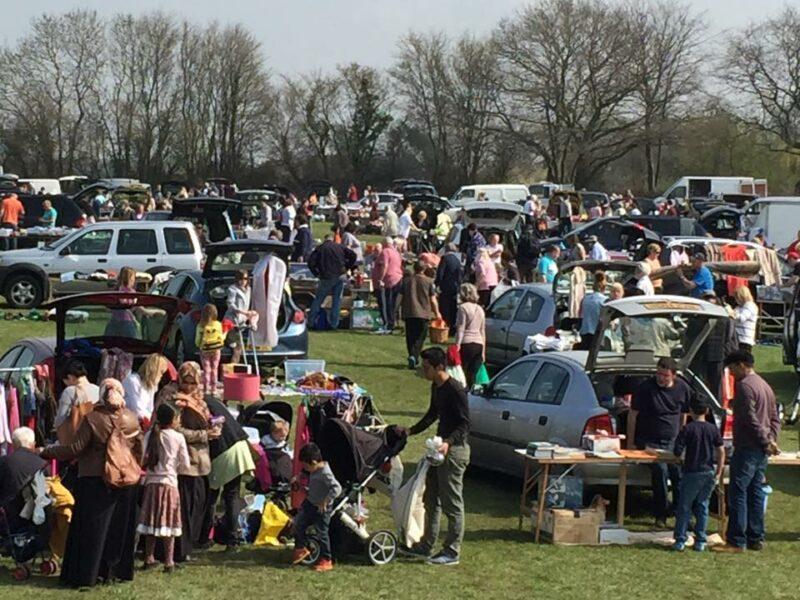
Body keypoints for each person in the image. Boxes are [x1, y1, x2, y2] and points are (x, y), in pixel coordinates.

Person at [41, 379, 143, 588]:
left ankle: (87, 575)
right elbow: (140, 448)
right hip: (126, 481)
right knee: (118, 529)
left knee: (92, 530)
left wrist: (47, 450)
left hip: (95, 479)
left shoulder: (93, 418)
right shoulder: (131, 419)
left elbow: (74, 449)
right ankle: (115, 572)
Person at [402, 347, 470, 566]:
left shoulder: (455, 389)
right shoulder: (436, 386)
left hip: (454, 451)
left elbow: (464, 423)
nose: (424, 371)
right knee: (431, 498)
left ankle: (452, 551)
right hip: (438, 450)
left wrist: (448, 443)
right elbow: (432, 414)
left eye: (427, 367)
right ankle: (426, 545)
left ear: (440, 366)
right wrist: (410, 431)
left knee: (452, 503)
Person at [714, 351, 781, 553]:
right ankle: (756, 537)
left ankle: (736, 539)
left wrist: (765, 440)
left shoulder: (744, 387)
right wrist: (772, 440)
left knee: (738, 492)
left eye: (732, 368)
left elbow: (751, 420)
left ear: (742, 365)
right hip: (761, 450)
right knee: (755, 492)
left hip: (748, 447)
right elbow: (774, 417)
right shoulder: (764, 385)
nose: (731, 374)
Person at [157, 362, 220, 564]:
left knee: (197, 505)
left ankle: (189, 545)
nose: (190, 387)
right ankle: (178, 551)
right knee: (183, 509)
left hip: (201, 461)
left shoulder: (198, 396)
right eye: (187, 382)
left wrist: (214, 426)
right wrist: (203, 435)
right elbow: (172, 429)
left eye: (194, 383)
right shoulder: (171, 396)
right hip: (184, 462)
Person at [627, 357, 691, 528]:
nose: (661, 378)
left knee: (678, 474)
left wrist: (681, 439)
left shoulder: (682, 388)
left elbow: (683, 414)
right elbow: (633, 414)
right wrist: (631, 443)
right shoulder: (645, 388)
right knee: (660, 471)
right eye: (658, 374)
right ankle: (660, 514)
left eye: (665, 375)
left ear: (674, 376)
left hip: (672, 441)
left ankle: (680, 514)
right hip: (649, 441)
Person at [138, 402, 190, 572]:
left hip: (152, 483)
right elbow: (185, 464)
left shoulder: (150, 435)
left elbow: (141, 459)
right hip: (169, 484)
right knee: (170, 523)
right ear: (173, 420)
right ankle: (169, 561)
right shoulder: (178, 437)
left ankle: (148, 557)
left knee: (151, 522)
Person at [671, 396, 725, 552]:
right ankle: (700, 540)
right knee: (702, 505)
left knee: (685, 506)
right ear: (707, 411)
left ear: (690, 411)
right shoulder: (712, 429)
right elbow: (721, 451)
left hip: (692, 471)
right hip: (709, 472)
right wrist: (719, 471)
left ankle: (680, 539)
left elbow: (677, 451)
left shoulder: (688, 429)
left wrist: (679, 457)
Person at [204, 395, 255, 552]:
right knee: (231, 496)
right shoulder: (210, 399)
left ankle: (205, 537)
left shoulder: (199, 404)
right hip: (239, 445)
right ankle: (232, 539)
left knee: (212, 497)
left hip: (224, 451)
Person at [291, 443, 342, 572]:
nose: (304, 468)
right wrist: (297, 477)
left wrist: (325, 501)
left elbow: (337, 488)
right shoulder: (313, 468)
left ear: (313, 462)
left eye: (306, 465)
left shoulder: (325, 473)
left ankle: (327, 559)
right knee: (297, 523)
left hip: (321, 508)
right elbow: (305, 472)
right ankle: (301, 548)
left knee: (322, 533)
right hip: (310, 502)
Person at [307, 235, 358, 331]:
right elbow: (353, 255)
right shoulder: (339, 246)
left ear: (324, 240)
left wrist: (316, 273)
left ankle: (311, 322)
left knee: (318, 300)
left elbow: (311, 262)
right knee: (337, 300)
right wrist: (348, 266)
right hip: (340, 275)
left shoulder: (320, 248)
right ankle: (334, 324)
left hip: (326, 277)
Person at [399, 262, 440, 369]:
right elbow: (433, 299)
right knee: (420, 337)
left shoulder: (406, 281)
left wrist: (395, 310)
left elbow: (399, 297)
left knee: (410, 336)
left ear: (414, 268)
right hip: (424, 313)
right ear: (424, 269)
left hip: (409, 312)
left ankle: (412, 355)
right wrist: (437, 313)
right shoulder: (429, 281)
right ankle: (414, 356)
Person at [122, 353, 168, 425]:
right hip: (128, 421)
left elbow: (150, 408)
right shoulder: (132, 381)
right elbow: (136, 409)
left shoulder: (151, 386)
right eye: (161, 372)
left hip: (142, 421)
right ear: (154, 370)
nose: (162, 376)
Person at [454, 283, 485, 388]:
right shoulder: (480, 309)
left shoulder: (462, 308)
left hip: (466, 343)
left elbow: (461, 328)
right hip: (478, 344)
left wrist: (457, 344)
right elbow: (482, 331)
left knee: (463, 371)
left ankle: (463, 391)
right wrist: (484, 351)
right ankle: (471, 391)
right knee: (473, 373)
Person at [54, 359, 100, 430]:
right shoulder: (98, 389)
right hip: (96, 433)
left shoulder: (70, 391)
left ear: (70, 377)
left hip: (78, 435)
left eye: (65, 382)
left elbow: (61, 419)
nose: (66, 385)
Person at [224, 270, 259, 364]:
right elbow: (230, 304)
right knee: (236, 347)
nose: (243, 281)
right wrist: (242, 312)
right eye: (241, 279)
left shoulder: (249, 289)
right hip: (232, 321)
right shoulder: (233, 289)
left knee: (255, 314)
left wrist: (247, 314)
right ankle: (233, 368)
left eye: (245, 279)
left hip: (242, 320)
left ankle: (253, 324)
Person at [373, 237, 404, 334]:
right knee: (392, 304)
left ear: (385, 243)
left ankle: (387, 324)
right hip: (398, 278)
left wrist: (380, 279)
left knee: (387, 303)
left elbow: (384, 265)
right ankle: (391, 323)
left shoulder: (385, 251)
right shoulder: (396, 252)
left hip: (389, 280)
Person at [196, 303, 225, 394]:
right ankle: (214, 388)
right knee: (214, 368)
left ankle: (205, 388)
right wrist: (226, 332)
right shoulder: (218, 325)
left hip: (205, 350)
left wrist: (199, 345)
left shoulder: (201, 326)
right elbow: (221, 337)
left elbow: (197, 340)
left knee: (206, 369)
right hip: (216, 349)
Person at [435, 243, 464, 335]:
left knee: (444, 307)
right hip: (455, 287)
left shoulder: (445, 258)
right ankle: (452, 328)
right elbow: (460, 275)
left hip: (446, 286)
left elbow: (440, 273)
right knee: (453, 307)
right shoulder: (457, 260)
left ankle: (445, 325)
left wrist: (437, 284)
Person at [105, 266, 139, 338]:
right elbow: (128, 306)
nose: (134, 280)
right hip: (126, 321)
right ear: (129, 278)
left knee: (109, 341)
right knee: (131, 342)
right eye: (133, 278)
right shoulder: (129, 292)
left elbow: (108, 308)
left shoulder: (117, 291)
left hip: (114, 320)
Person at [579, 271, 608, 349]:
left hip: (585, 333)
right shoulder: (605, 301)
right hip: (598, 334)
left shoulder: (585, 299)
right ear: (604, 288)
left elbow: (581, 316)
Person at [732, 286, 758, 353]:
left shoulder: (750, 305)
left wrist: (731, 314)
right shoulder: (738, 307)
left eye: (736, 297)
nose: (735, 300)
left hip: (745, 340)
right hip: (737, 339)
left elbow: (741, 318)